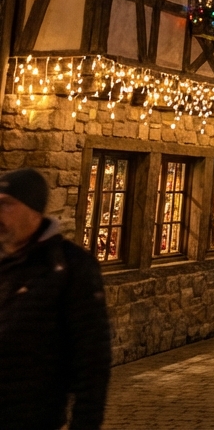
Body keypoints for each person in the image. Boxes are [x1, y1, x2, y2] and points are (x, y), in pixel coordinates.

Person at [0, 167, 110, 430]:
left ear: (34, 211)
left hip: (31, 419)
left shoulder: (70, 268)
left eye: (7, 205)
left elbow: (92, 362)